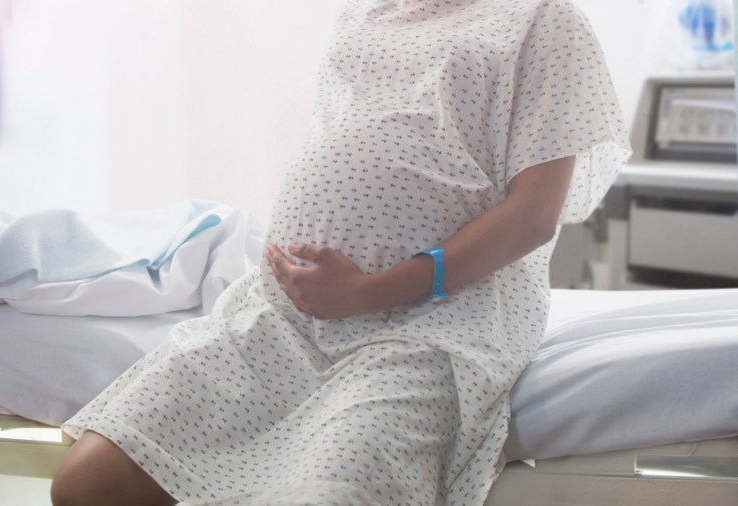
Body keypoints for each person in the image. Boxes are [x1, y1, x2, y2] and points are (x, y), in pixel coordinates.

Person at [51, 0, 630, 504]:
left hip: (427, 328)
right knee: (85, 483)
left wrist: (368, 292)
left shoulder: (542, 19)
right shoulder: (366, 10)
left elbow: (531, 217)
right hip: (281, 318)